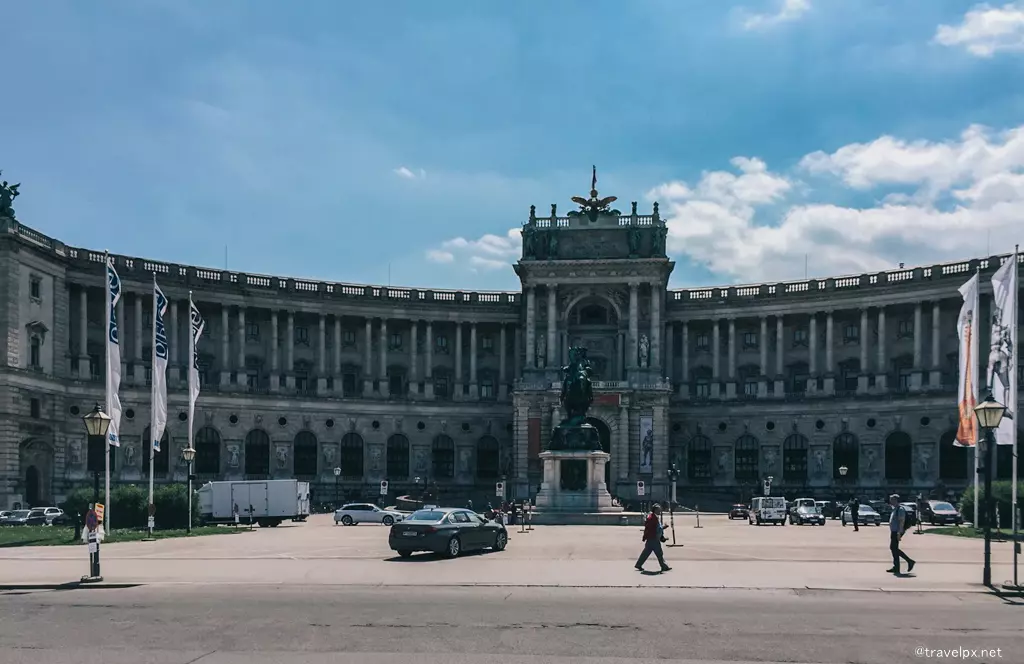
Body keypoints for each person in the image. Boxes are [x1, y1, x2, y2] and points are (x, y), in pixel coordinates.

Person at [635, 503, 671, 573]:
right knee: (659, 553)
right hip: (653, 538)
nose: (660, 511)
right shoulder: (652, 518)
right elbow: (656, 529)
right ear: (655, 510)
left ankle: (638, 564)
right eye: (658, 509)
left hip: (651, 538)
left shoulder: (653, 517)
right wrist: (664, 527)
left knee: (646, 553)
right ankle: (664, 567)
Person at [887, 494, 916, 575]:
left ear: (896, 500)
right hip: (894, 531)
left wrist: (899, 533)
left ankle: (909, 561)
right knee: (894, 548)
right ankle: (897, 567)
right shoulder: (895, 509)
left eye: (892, 500)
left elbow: (901, 521)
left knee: (893, 548)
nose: (890, 501)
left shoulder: (900, 509)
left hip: (897, 531)